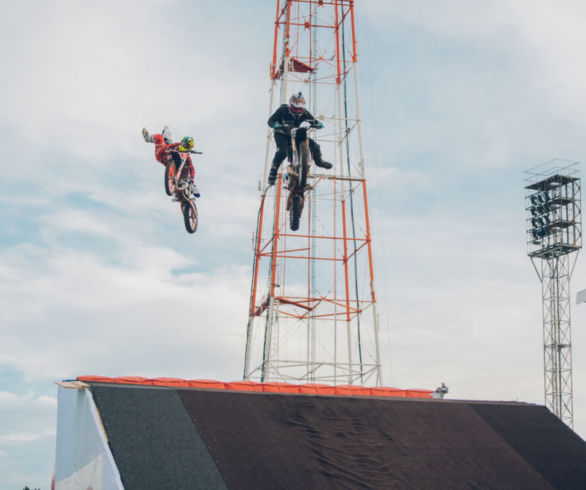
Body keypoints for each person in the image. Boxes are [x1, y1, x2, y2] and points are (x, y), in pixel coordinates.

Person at [267, 92, 333, 186]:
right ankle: (272, 174)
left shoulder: (305, 113)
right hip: (281, 133)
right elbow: (270, 121)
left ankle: (319, 162)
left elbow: (314, 121)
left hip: (295, 134)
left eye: (300, 109)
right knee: (281, 151)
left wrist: (318, 124)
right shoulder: (283, 109)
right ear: (291, 106)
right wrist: (275, 125)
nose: (298, 112)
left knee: (315, 146)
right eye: (295, 109)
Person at [142, 126, 200, 197]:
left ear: (189, 148)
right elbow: (170, 145)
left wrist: (191, 179)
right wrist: (168, 149)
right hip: (163, 155)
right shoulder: (177, 145)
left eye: (186, 145)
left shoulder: (187, 156)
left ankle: (191, 187)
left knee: (187, 168)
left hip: (176, 167)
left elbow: (191, 168)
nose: (183, 145)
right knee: (160, 138)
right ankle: (148, 138)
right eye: (183, 143)